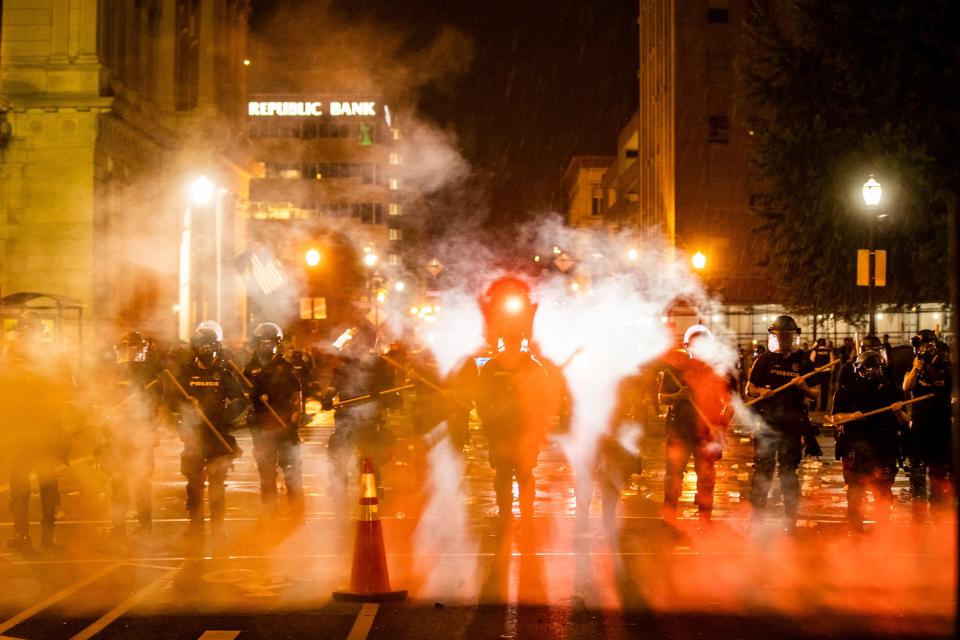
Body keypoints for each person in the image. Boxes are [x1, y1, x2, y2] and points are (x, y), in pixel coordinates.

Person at [474, 277, 551, 526]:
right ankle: (509, 513)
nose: (511, 345)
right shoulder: (493, 368)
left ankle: (520, 514)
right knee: (508, 476)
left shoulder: (531, 367)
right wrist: (491, 426)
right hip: (503, 433)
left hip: (522, 433)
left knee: (521, 476)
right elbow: (481, 400)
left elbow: (544, 398)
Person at [1, 312, 74, 550]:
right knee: (21, 484)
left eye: (26, 332)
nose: (23, 336)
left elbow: (66, 393)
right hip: (22, 430)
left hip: (44, 429)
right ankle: (24, 535)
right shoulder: (13, 355)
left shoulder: (53, 357)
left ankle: (46, 535)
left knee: (46, 483)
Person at [168, 322, 247, 538]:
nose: (204, 350)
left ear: (216, 346)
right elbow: (172, 400)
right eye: (201, 345)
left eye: (208, 345)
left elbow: (240, 401)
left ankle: (218, 526)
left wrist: (224, 418)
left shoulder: (223, 373)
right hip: (194, 436)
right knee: (194, 483)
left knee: (217, 484)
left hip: (217, 435)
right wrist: (186, 406)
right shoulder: (185, 372)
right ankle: (195, 523)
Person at [746, 315, 819, 532]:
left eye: (788, 336)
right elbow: (749, 389)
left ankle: (791, 519)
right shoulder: (764, 360)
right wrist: (761, 391)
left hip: (792, 423)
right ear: (774, 336)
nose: (784, 341)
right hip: (766, 423)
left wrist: (804, 387)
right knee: (763, 470)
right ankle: (757, 517)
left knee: (788, 471)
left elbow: (816, 395)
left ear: (794, 337)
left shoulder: (804, 361)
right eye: (780, 336)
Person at [658, 325, 736, 525]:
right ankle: (669, 513)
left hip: (707, 432)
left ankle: (704, 516)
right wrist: (678, 395)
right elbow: (662, 399)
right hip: (679, 430)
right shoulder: (675, 370)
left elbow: (730, 403)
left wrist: (722, 427)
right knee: (673, 474)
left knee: (706, 476)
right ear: (687, 346)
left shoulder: (718, 370)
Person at [322, 325, 399, 512]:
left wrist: (380, 393)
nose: (359, 345)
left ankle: (370, 497)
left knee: (368, 460)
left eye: (363, 341)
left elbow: (394, 398)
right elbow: (334, 386)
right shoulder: (344, 364)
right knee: (340, 458)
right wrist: (327, 397)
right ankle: (338, 495)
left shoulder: (382, 366)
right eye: (358, 341)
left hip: (369, 421)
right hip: (345, 417)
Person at [99, 331, 163, 536]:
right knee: (118, 480)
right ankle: (118, 527)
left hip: (140, 433)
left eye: (135, 348)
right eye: (126, 348)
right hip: (117, 433)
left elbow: (154, 403)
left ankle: (145, 526)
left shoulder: (149, 374)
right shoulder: (113, 372)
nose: (131, 352)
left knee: (140, 480)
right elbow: (104, 398)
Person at [831, 350, 904, 530]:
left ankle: (883, 529)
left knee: (882, 490)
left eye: (877, 368)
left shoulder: (890, 390)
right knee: (856, 490)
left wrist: (898, 412)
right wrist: (851, 415)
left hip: (883, 447)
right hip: (856, 448)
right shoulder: (846, 391)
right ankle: (855, 527)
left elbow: (904, 421)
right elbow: (836, 418)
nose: (873, 372)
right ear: (860, 370)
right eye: (869, 368)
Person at [243, 323, 304, 521]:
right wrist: (250, 397)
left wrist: (293, 423)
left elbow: (297, 398)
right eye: (262, 342)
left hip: (284, 426)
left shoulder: (285, 368)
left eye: (270, 342)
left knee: (292, 471)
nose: (266, 346)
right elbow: (242, 398)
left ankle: (296, 511)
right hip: (262, 429)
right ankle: (269, 512)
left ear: (277, 343)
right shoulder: (249, 369)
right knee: (266, 473)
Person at [902, 329, 953, 522]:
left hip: (939, 420)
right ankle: (918, 507)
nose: (925, 349)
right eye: (922, 346)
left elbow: (946, 384)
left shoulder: (943, 362)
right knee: (916, 465)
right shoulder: (915, 363)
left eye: (928, 345)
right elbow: (906, 387)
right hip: (920, 421)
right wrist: (916, 367)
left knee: (938, 466)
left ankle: (938, 507)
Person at [809, 338, 833, 411]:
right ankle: (823, 408)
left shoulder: (815, 351)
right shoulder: (829, 352)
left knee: (814, 390)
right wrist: (830, 371)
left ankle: (813, 407)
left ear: (818, 344)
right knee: (825, 391)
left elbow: (811, 361)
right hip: (826, 372)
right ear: (825, 344)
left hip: (816, 372)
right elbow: (832, 363)